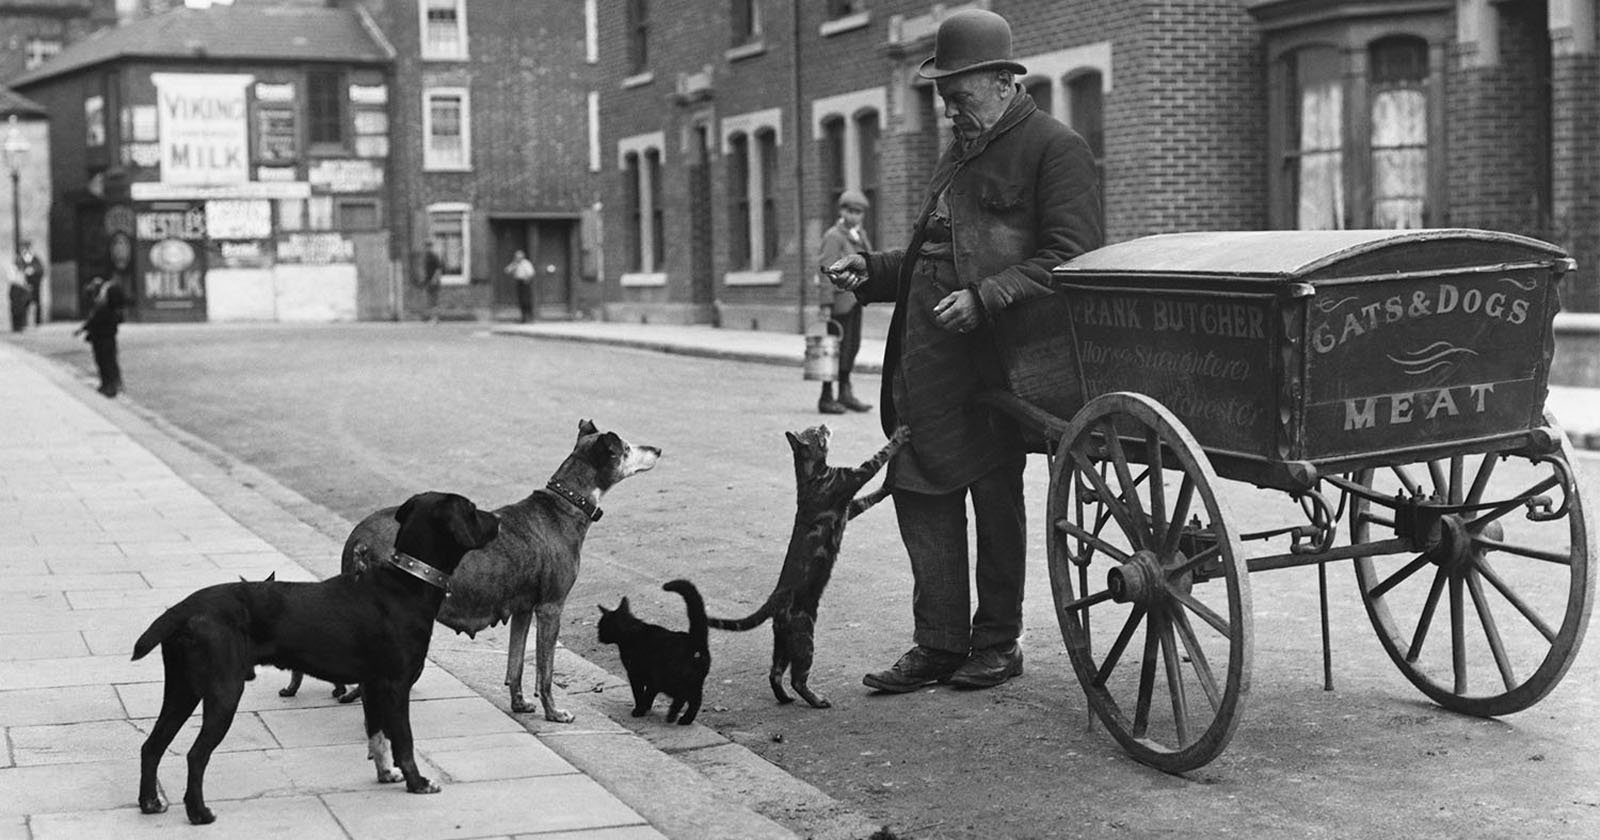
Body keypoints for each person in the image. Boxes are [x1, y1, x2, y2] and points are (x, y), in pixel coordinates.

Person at [826, 8, 1103, 692]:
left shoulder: (1053, 148)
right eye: (944, 94)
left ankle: (996, 642)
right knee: (919, 488)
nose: (949, 106)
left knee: (992, 493)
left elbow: (1072, 259)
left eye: (960, 92)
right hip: (926, 363)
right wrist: (876, 271)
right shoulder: (958, 151)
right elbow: (935, 251)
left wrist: (987, 297)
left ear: (1006, 81)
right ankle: (938, 642)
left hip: (1000, 363)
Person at [815, 189, 874, 414]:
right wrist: (825, 305)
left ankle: (845, 392)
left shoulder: (860, 236)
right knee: (833, 349)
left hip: (855, 301)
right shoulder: (833, 236)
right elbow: (826, 271)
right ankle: (826, 396)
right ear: (841, 211)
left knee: (851, 347)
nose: (854, 216)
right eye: (850, 211)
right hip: (838, 305)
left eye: (858, 212)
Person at [73, 276, 127, 397]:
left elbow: (94, 319)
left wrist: (84, 329)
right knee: (109, 360)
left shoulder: (102, 303)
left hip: (102, 335)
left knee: (105, 361)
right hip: (108, 334)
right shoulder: (105, 301)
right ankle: (112, 384)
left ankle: (109, 386)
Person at [17, 241, 44, 326]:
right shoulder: (20, 260)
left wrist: (33, 270)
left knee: (37, 303)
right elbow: (17, 270)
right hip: (24, 285)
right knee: (24, 304)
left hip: (35, 284)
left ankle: (38, 322)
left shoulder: (35, 259)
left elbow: (41, 269)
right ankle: (24, 322)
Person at [505, 249, 536, 323]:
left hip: (525, 282)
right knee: (521, 300)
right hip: (519, 282)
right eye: (516, 257)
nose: (518, 258)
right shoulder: (515, 263)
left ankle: (529, 317)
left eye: (519, 257)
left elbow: (531, 273)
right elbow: (507, 270)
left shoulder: (526, 263)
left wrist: (527, 279)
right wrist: (514, 265)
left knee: (526, 300)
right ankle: (523, 317)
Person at [418, 241, 443, 323]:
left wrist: (434, 279)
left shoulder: (433, 256)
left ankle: (435, 318)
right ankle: (431, 317)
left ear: (430, 247)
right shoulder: (426, 257)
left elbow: (438, 269)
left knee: (434, 300)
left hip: (433, 281)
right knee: (429, 300)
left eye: (428, 247)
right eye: (425, 247)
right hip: (428, 281)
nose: (426, 249)